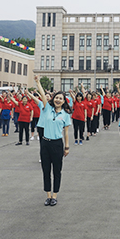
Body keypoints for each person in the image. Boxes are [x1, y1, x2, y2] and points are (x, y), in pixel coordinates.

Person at [32, 76, 71, 206]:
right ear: (53, 99)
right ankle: (48, 195)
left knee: (57, 171)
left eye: (60, 98)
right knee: (46, 170)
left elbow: (66, 133)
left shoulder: (65, 115)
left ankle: (55, 195)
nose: (58, 100)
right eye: (56, 97)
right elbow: (43, 95)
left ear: (64, 101)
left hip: (57, 144)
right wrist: (37, 82)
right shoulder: (47, 108)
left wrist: (67, 147)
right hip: (45, 143)